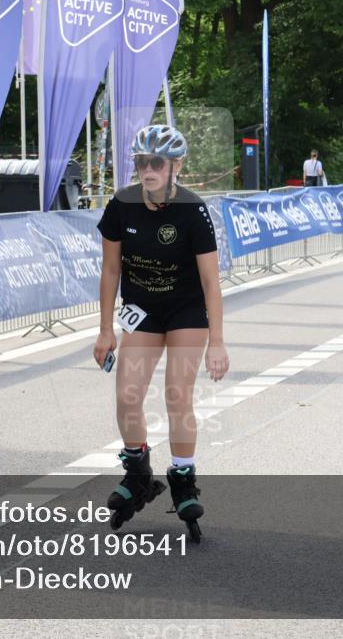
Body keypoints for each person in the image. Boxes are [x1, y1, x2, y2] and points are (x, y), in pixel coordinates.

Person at [94, 125, 229, 542]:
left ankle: (183, 478)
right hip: (143, 310)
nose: (147, 170)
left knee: (176, 393)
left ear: (175, 167)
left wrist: (218, 342)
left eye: (156, 163)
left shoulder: (192, 209)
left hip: (187, 310)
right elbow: (111, 269)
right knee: (127, 394)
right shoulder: (122, 205)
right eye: (140, 162)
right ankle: (137, 471)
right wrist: (104, 331)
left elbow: (210, 282)